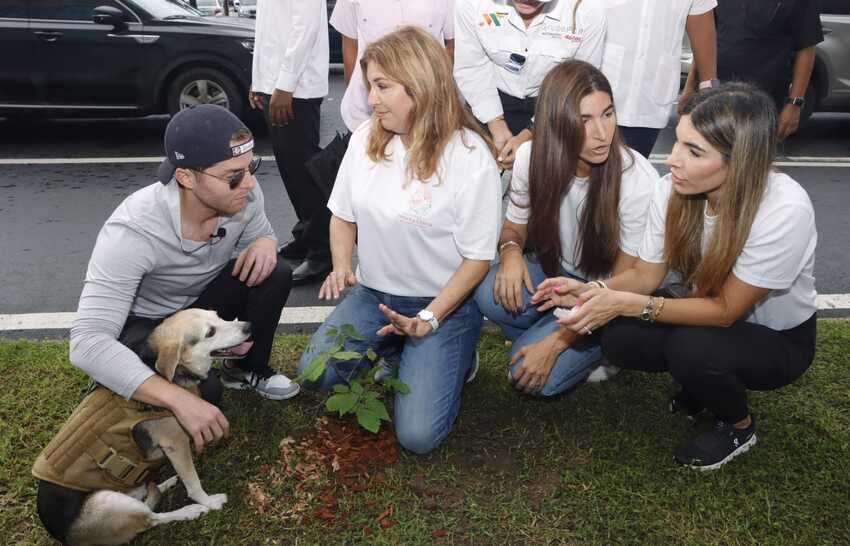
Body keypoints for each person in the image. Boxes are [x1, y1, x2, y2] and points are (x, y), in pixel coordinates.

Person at [535, 84, 818, 470]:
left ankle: (738, 425)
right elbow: (647, 275)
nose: (672, 160)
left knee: (692, 348)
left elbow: (725, 312)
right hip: (704, 308)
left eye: (693, 151)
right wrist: (595, 290)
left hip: (778, 339)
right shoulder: (672, 190)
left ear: (740, 161)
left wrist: (631, 304)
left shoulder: (784, 210)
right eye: (678, 142)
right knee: (619, 337)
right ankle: (701, 385)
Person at [297, 26, 502, 455]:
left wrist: (428, 319)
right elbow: (342, 215)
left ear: (421, 85)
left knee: (418, 438)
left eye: (382, 86)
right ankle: (393, 344)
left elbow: (478, 259)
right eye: (370, 85)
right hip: (373, 295)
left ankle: (454, 352)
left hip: (442, 305)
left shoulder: (469, 157)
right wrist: (341, 266)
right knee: (316, 374)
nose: (371, 99)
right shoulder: (365, 139)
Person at [70, 105, 299, 456]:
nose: (250, 183)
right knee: (203, 395)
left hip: (201, 306)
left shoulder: (245, 197)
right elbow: (87, 341)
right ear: (187, 178)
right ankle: (121, 378)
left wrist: (266, 242)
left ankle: (246, 370)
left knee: (276, 270)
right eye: (233, 175)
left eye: (252, 167)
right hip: (149, 322)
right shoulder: (132, 231)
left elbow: (262, 233)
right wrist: (179, 399)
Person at [474, 60, 658, 396]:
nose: (602, 133)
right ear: (558, 121)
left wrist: (558, 342)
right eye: (584, 120)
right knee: (489, 289)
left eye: (608, 113)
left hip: (608, 292)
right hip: (559, 278)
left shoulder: (636, 179)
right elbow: (513, 228)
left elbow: (624, 285)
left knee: (529, 374)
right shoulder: (531, 157)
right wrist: (511, 252)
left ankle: (600, 344)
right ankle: (554, 328)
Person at [454, 0, 606, 169]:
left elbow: (578, 82)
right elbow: (472, 66)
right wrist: (495, 122)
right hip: (487, 99)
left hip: (555, 107)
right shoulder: (473, 4)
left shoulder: (588, 9)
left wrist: (530, 133)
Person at [250, 0, 331, 284]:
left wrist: (285, 83)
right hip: (276, 86)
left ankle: (323, 251)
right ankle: (306, 236)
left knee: (305, 172)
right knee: (290, 169)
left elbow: (304, 28)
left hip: (297, 88)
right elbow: (268, 30)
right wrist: (258, 80)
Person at [685, 0, 824, 140]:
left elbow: (806, 48)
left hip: (762, 103)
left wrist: (795, 104)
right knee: (708, 156)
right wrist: (689, 87)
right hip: (714, 95)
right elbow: (705, 39)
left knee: (750, 159)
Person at [601, 0, 717, 158]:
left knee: (634, 175)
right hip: (596, 91)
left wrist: (708, 88)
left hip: (649, 100)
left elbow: (701, 24)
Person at [330, 0, 455, 134]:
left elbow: (453, 47)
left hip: (427, 111)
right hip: (366, 114)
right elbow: (350, 50)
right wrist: (371, 94)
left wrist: (438, 93)